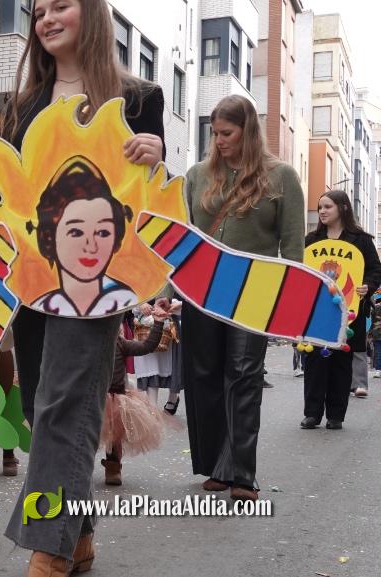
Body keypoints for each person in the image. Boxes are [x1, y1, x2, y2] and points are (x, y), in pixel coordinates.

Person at [0, 1, 167, 574]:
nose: (46, 18)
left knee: (65, 404)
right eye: (38, 10)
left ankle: (49, 548)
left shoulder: (139, 98)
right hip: (31, 275)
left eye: (61, 5)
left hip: (99, 281)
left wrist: (156, 155)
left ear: (91, 12)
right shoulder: (22, 104)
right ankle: (80, 536)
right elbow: (10, 193)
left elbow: (151, 194)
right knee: (42, 404)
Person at [182, 94, 304, 503]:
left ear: (248, 131)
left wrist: (292, 301)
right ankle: (217, 465)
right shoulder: (197, 175)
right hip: (202, 289)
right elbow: (184, 237)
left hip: (256, 289)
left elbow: (293, 245)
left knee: (244, 375)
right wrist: (166, 293)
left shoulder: (282, 176)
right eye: (215, 133)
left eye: (227, 133)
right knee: (204, 376)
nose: (219, 141)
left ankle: (241, 473)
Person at [301, 190, 381, 428]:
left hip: (349, 311)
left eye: (327, 207)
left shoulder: (362, 240)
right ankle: (312, 413)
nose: (322, 211)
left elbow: (375, 270)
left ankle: (336, 415)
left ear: (343, 208)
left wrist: (368, 285)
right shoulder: (311, 240)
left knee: (342, 362)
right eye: (320, 207)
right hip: (317, 310)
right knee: (314, 361)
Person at [31, 157, 137, 315]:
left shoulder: (126, 300)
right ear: (49, 237)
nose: (91, 246)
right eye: (76, 232)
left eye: (102, 233)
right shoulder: (37, 304)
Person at [100, 304, 176, 486]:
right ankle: (81, 465)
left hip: (116, 397)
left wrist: (158, 323)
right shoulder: (92, 345)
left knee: (114, 436)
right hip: (94, 396)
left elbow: (147, 346)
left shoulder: (121, 343)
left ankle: (113, 466)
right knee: (87, 433)